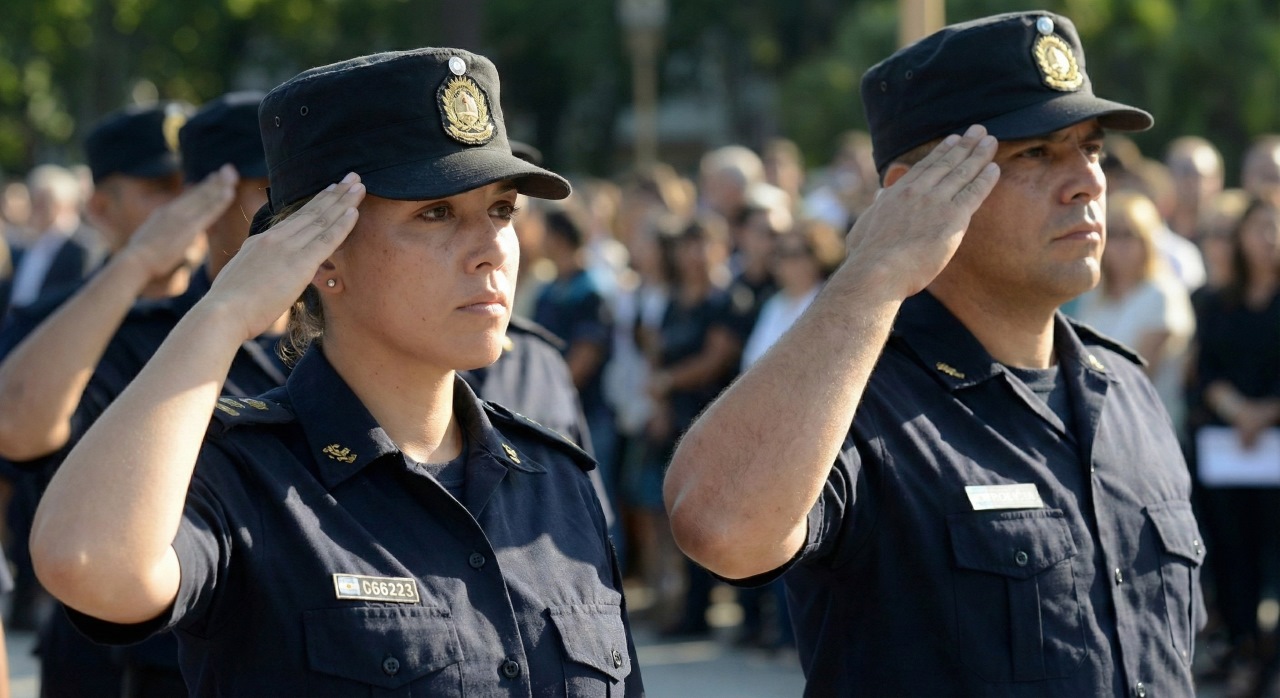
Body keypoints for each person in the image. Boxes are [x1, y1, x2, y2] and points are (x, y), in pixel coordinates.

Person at [30, 48, 642, 696]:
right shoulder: (240, 475)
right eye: (435, 213)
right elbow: (88, 562)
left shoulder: (555, 477)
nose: (491, 249)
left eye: (502, 210)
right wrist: (225, 313)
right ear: (324, 254)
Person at [663, 12, 1204, 696]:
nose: (1087, 181)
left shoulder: (1123, 388)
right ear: (914, 192)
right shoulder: (850, 400)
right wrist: (874, 271)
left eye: (1090, 148)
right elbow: (719, 526)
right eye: (1035, 153)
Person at [1184, 195, 1280, 696]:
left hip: (1276, 447)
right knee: (1232, 553)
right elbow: (1203, 374)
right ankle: (1242, 647)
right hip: (1228, 451)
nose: (1269, 237)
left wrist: (1266, 411)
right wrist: (1237, 410)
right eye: (1260, 227)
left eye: (1277, 227)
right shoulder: (1215, 300)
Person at [1070, 190, 1195, 431]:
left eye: (1130, 235)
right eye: (1113, 234)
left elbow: (1137, 373)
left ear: (1147, 240)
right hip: (1096, 421)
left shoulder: (1162, 293)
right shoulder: (1093, 295)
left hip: (1147, 427)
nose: (1120, 245)